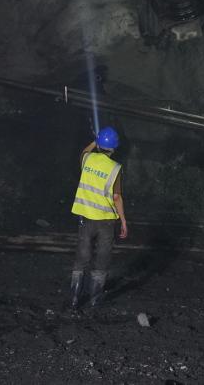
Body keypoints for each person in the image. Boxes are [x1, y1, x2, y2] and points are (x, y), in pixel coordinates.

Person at [68, 126, 127, 309]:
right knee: (102, 259)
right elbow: (116, 197)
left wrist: (95, 140)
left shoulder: (88, 159)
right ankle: (94, 301)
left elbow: (84, 152)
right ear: (114, 148)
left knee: (82, 257)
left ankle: (74, 299)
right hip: (106, 221)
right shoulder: (115, 168)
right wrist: (123, 220)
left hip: (86, 218)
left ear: (99, 144)